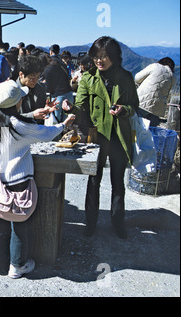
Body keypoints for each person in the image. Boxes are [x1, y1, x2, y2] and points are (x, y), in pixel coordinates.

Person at [0, 80, 75, 278]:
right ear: (17, 102)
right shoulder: (19, 124)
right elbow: (46, 134)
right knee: (20, 222)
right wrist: (64, 124)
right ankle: (17, 265)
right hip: (19, 180)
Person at [62, 36, 140, 239]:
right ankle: (90, 222)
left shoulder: (126, 77)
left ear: (114, 57)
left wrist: (123, 110)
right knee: (94, 180)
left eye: (104, 56)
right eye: (96, 56)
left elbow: (134, 106)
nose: (100, 60)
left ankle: (118, 222)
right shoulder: (88, 78)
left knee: (118, 181)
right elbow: (81, 106)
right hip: (97, 136)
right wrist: (70, 108)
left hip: (119, 136)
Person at [135, 57, 176, 127]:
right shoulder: (173, 77)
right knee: (151, 132)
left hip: (141, 103)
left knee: (135, 128)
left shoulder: (155, 66)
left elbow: (137, 78)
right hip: (157, 110)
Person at [12, 55, 54, 124]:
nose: (35, 81)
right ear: (21, 74)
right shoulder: (12, 91)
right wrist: (32, 115)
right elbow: (9, 118)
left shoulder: (41, 88)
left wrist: (46, 109)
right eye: (31, 78)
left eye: (38, 77)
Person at [43, 47, 73, 123]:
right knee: (68, 120)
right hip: (69, 93)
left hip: (57, 96)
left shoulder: (48, 66)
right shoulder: (62, 62)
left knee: (56, 121)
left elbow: (48, 86)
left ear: (50, 52)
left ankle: (59, 134)